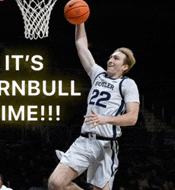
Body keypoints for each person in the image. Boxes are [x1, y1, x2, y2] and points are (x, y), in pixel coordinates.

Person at [48, 23, 140, 190]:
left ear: (125, 67)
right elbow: (81, 45)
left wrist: (105, 119)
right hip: (84, 141)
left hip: (105, 145)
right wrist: (79, 20)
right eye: (111, 57)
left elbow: (132, 117)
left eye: (116, 58)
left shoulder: (127, 84)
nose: (111, 60)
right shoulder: (97, 74)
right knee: (55, 183)